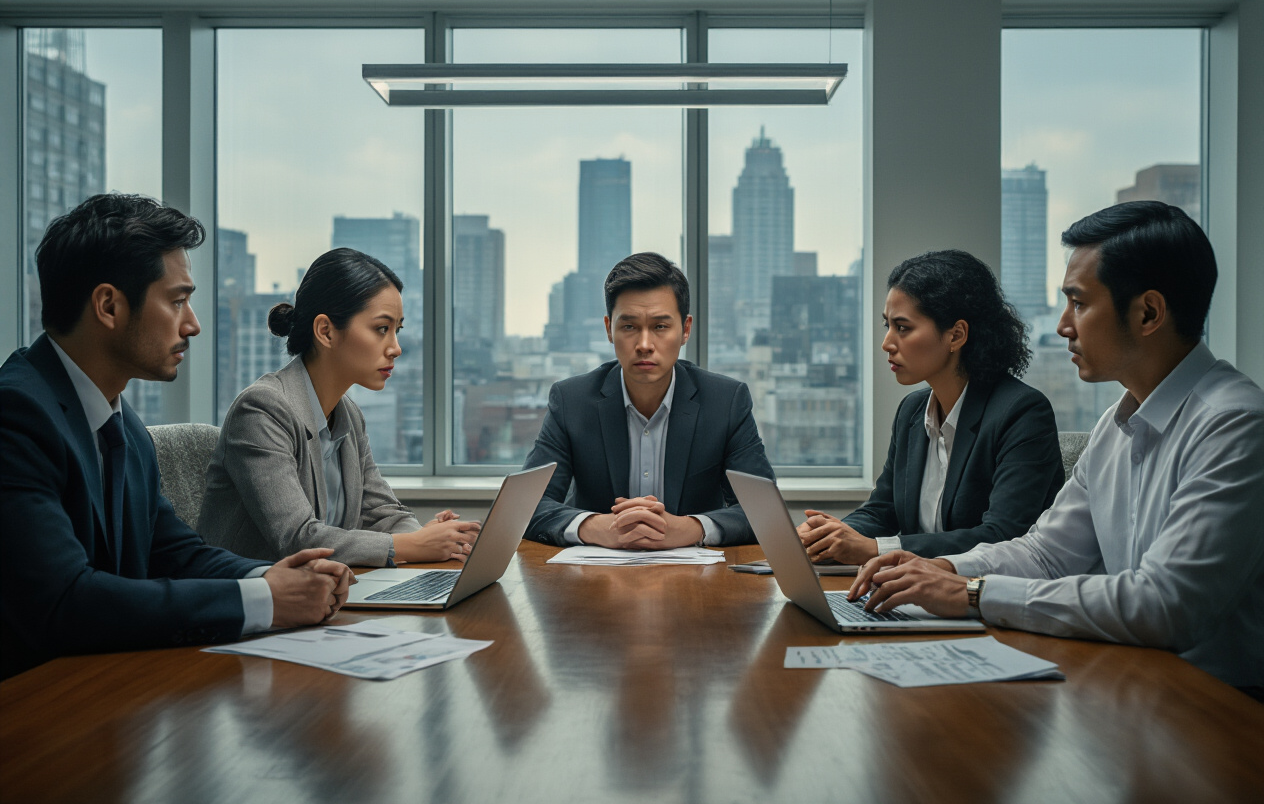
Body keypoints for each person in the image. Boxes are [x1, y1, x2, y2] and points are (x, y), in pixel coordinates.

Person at [848, 201, 1264, 693]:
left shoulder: (1234, 423)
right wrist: (938, 569)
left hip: (1215, 710)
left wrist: (972, 592)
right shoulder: (1116, 423)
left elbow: (1165, 605)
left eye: (1079, 303)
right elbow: (1045, 554)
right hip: (1129, 686)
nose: (1064, 325)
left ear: (1148, 312)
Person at [0, 193, 352, 679]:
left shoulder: (123, 427)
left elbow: (173, 553)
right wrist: (264, 601)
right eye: (177, 300)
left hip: (110, 690)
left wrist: (271, 577)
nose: (193, 324)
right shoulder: (16, 415)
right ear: (108, 306)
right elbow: (64, 601)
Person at [198, 249, 479, 567]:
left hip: (326, 597)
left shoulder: (349, 417)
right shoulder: (261, 410)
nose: (396, 348)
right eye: (381, 329)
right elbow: (299, 539)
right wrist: (412, 545)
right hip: (255, 606)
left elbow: (383, 513)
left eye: (396, 330)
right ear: (326, 331)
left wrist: (427, 540)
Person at [796, 250, 1064, 564]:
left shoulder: (1022, 412)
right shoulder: (912, 411)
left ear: (956, 335)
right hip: (914, 594)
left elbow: (1002, 535)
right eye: (888, 326)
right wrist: (833, 535)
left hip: (988, 601)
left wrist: (875, 549)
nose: (887, 343)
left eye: (903, 328)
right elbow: (883, 511)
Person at [522, 252, 775, 549]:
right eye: (629, 327)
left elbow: (765, 513)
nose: (644, 345)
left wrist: (691, 528)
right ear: (608, 328)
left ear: (686, 329)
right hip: (595, 579)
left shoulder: (726, 402)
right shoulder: (571, 401)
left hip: (699, 585)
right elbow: (528, 507)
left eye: (660, 327)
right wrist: (595, 526)